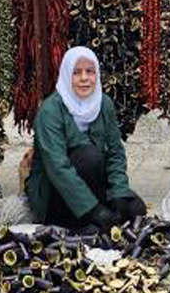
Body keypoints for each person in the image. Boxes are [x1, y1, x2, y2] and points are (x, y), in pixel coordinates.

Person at [26, 47, 147, 232]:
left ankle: (91, 218)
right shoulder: (50, 111)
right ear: (67, 75)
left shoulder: (103, 104)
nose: (84, 78)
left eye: (90, 71)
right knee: (89, 156)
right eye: (76, 72)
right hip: (56, 193)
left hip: (94, 184)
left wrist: (119, 194)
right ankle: (76, 220)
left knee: (135, 209)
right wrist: (95, 210)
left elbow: (116, 152)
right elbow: (58, 168)